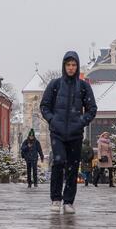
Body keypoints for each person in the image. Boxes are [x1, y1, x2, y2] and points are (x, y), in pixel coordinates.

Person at [40, 51, 97, 214]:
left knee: (72, 167)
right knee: (59, 162)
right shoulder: (55, 84)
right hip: (57, 132)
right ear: (64, 66)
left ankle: (68, 201)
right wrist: (52, 120)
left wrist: (81, 121)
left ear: (77, 67)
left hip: (75, 134)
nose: (71, 68)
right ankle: (56, 199)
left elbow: (92, 109)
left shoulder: (84, 86)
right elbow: (44, 106)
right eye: (68, 65)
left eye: (74, 65)